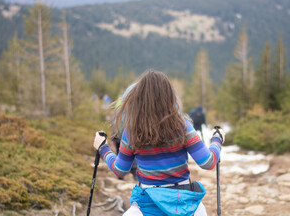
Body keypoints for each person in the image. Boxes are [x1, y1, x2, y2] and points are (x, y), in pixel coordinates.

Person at [93, 70, 225, 216]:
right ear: (169, 97)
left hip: (147, 205)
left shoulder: (131, 132)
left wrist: (103, 148)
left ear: (139, 98)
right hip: (185, 204)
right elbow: (208, 162)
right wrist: (217, 139)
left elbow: (120, 169)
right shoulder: (182, 125)